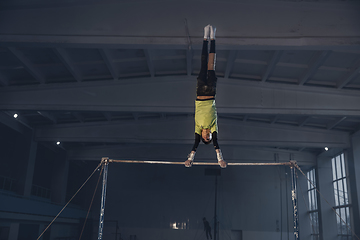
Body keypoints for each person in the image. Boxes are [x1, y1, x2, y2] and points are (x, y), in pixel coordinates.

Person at [185, 24, 227, 168]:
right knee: (211, 64)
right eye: (209, 136)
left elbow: (195, 144)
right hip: (210, 92)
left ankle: (204, 37)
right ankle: (213, 37)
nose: (207, 135)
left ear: (202, 136)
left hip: (200, 92)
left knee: (203, 64)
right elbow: (216, 143)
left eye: (205, 137)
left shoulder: (198, 127)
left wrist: (190, 159)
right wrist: (220, 159)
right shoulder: (213, 126)